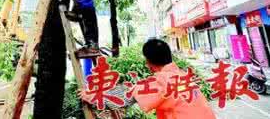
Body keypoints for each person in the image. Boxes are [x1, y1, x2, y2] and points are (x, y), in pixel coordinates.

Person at [80, 39, 216, 119]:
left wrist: (91, 96)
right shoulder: (181, 75)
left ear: (150, 62)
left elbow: (126, 97)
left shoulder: (161, 81)